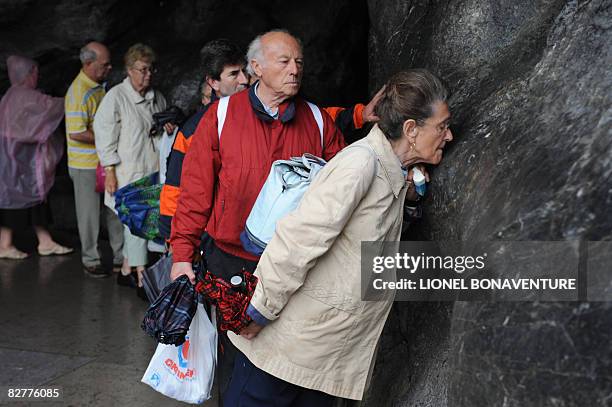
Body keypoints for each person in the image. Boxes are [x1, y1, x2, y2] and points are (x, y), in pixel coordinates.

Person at [225, 69, 453, 406]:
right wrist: (257, 311)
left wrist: (413, 190)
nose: (448, 137)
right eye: (442, 126)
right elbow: (298, 239)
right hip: (288, 347)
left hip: (322, 353)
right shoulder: (359, 165)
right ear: (410, 130)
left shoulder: (388, 169)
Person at [169, 29, 346, 395]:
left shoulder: (316, 120)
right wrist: (181, 255)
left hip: (297, 266)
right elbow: (195, 194)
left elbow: (342, 190)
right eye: (284, 62)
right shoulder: (220, 116)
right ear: (256, 68)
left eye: (299, 61)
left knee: (292, 360)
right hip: (232, 263)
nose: (295, 69)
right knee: (237, 358)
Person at [94, 43, 167, 292]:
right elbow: (105, 136)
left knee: (144, 223)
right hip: (128, 173)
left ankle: (126, 269)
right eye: (143, 69)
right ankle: (140, 275)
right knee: (135, 224)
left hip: (152, 170)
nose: (148, 74)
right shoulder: (116, 97)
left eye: (151, 70)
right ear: (129, 70)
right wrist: (110, 171)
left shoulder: (156, 97)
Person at [158, 39, 249, 240]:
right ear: (213, 82)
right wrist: (169, 233)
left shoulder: (262, 115)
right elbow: (175, 181)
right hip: (213, 232)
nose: (244, 79)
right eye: (234, 74)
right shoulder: (197, 127)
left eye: (245, 71)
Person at [0, 56, 73, 259]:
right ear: (26, 74)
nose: (36, 76)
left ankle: (41, 241)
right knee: (27, 200)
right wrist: (71, 99)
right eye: (33, 72)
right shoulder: (27, 96)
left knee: (17, 202)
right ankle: (12, 244)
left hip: (10, 162)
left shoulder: (9, 96)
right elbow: (50, 108)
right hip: (24, 162)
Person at [65, 41, 125, 277]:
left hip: (104, 162)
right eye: (105, 64)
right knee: (89, 215)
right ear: (88, 64)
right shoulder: (78, 92)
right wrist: (109, 139)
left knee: (114, 210)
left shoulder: (98, 85)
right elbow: (76, 131)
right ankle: (91, 259)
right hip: (85, 166)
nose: (110, 68)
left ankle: (121, 257)